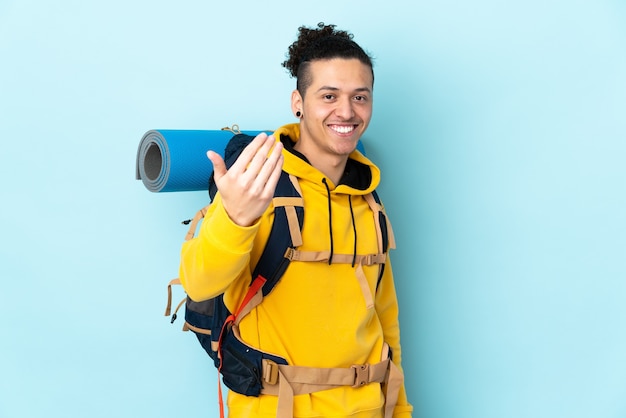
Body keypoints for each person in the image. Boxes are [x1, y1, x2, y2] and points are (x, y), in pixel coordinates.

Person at [179, 22, 413, 418]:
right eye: (329, 95)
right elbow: (199, 283)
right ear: (297, 102)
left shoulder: (369, 200)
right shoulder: (257, 183)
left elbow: (385, 322)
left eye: (360, 97)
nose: (346, 111)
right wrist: (235, 218)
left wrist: (400, 409)